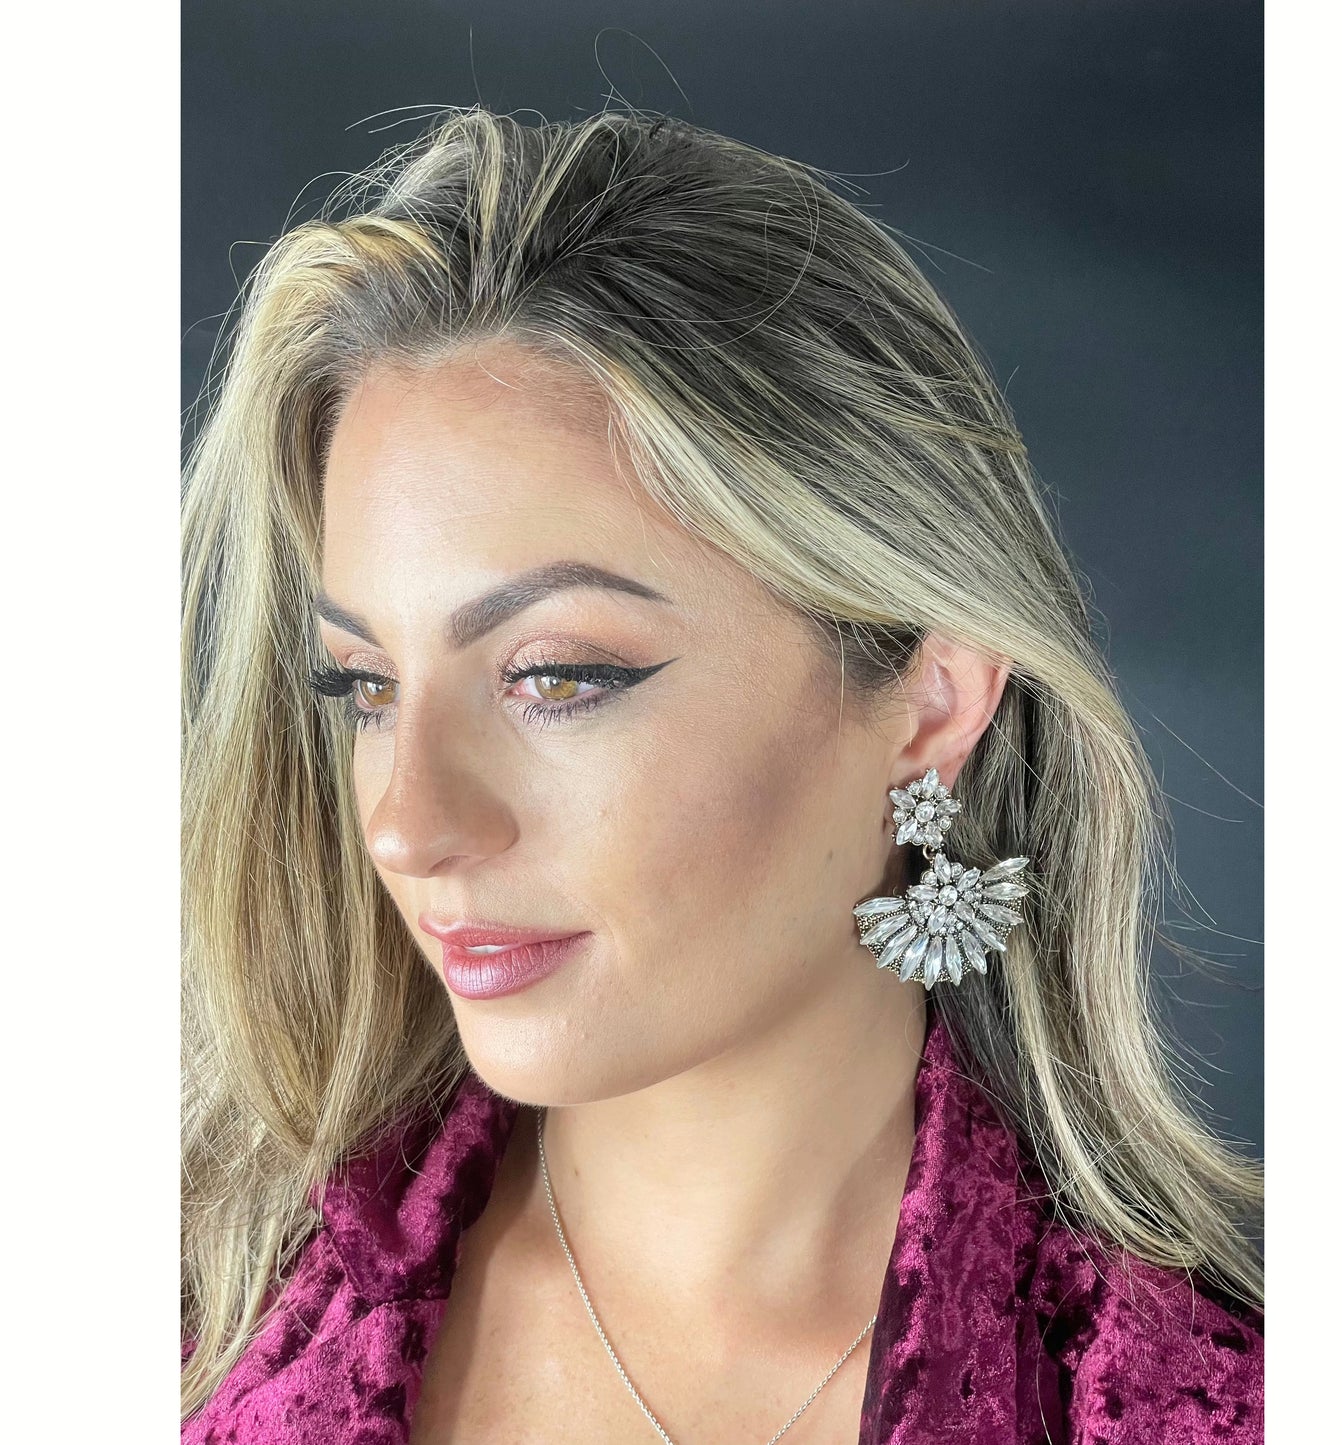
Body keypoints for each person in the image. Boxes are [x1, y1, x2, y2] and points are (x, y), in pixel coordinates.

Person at [180, 106, 1263, 1443]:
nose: (408, 824)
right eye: (366, 686)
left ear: (931, 698)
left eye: (555, 676)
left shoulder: (1202, 1405)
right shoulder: (182, 1331)